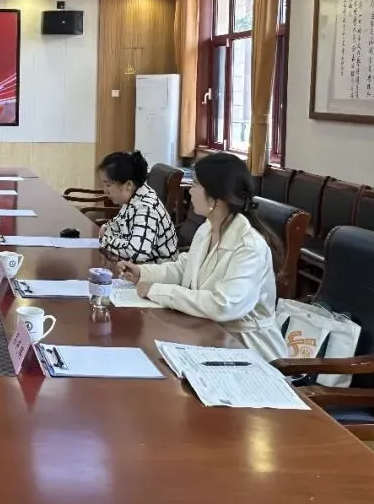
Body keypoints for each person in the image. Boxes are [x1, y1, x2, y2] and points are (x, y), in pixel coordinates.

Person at [117, 152, 289, 362]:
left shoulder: (249, 247)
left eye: (195, 185)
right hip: (209, 336)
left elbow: (223, 305)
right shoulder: (208, 228)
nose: (190, 191)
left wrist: (156, 290)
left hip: (249, 351)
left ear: (215, 198)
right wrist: (143, 273)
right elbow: (185, 269)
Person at [95, 150, 178, 264]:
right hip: (135, 268)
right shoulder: (134, 197)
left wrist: (106, 240)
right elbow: (118, 224)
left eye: (108, 185)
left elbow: (137, 253)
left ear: (128, 185)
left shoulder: (146, 208)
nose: (105, 191)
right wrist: (108, 227)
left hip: (155, 272)